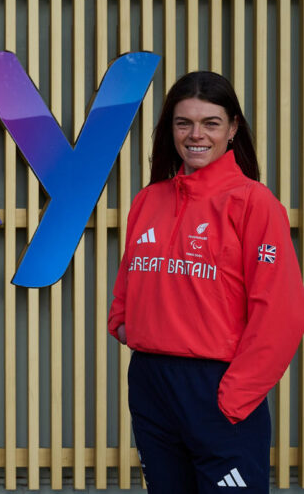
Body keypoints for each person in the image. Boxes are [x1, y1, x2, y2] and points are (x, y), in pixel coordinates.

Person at [108, 71, 304, 493]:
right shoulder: (148, 200)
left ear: (232, 128)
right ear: (170, 130)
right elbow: (130, 276)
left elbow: (281, 313)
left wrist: (233, 398)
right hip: (152, 385)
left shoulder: (254, 203)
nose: (196, 135)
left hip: (219, 388)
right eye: (184, 123)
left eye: (210, 123)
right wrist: (123, 322)